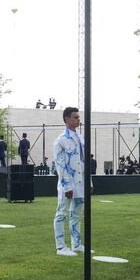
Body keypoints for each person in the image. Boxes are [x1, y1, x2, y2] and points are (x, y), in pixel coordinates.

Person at [53, 107, 89, 256]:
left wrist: (89, 182)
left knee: (76, 214)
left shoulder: (80, 138)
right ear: (67, 119)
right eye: (75, 117)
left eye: (78, 117)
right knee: (62, 214)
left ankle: (76, 244)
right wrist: (67, 186)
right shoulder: (60, 141)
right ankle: (61, 247)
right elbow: (60, 165)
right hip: (67, 183)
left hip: (81, 182)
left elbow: (84, 162)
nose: (78, 120)